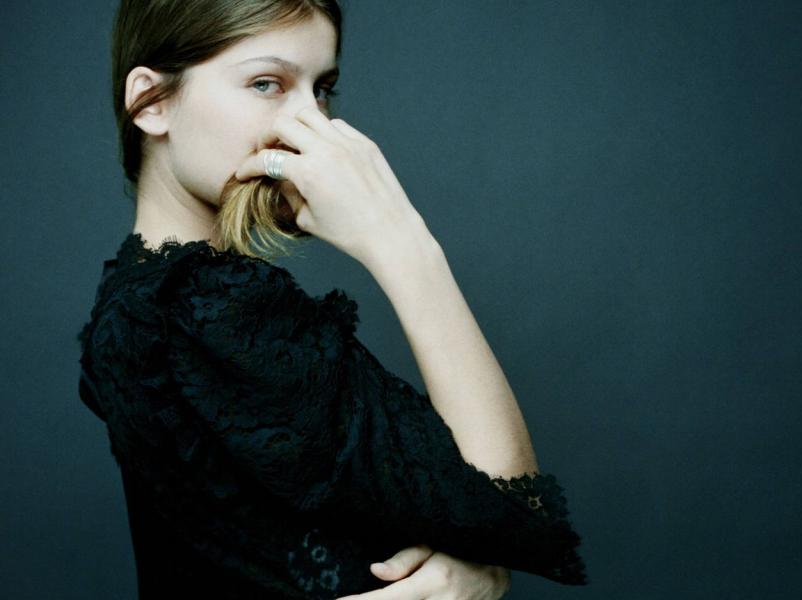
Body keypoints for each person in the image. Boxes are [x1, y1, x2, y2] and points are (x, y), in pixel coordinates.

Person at [76, 1, 588, 598]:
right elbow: (514, 511)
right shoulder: (206, 309)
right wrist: (402, 243)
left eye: (321, 90)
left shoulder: (136, 299)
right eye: (266, 83)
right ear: (152, 102)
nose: (311, 123)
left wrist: (476, 564)